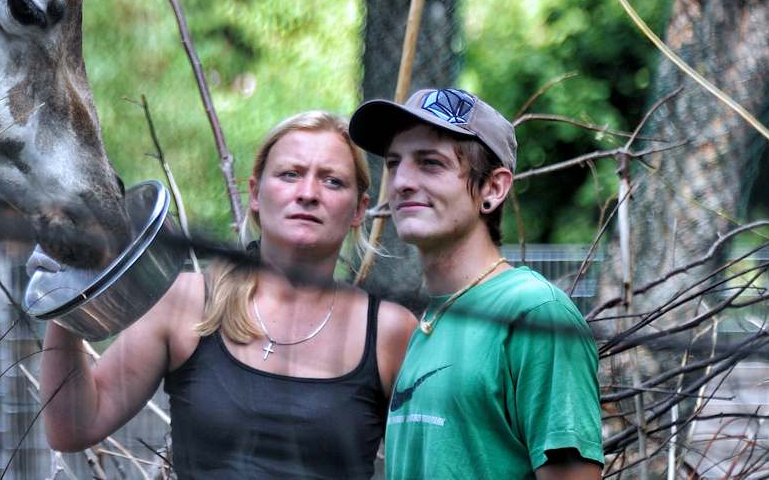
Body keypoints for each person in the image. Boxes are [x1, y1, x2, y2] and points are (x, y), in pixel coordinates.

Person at [38, 110, 418, 479]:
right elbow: (73, 427)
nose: (308, 193)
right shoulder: (185, 302)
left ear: (359, 209)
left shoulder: (390, 331)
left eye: (332, 181)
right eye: (290, 174)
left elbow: (427, 461)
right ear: (255, 194)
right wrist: (66, 298)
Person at [349, 88, 604, 480]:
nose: (401, 182)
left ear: (494, 188)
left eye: (430, 163)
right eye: (394, 163)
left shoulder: (535, 313)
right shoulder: (429, 324)